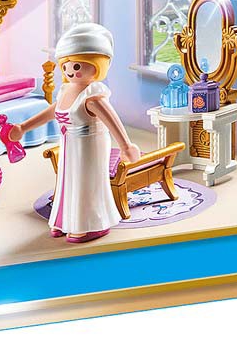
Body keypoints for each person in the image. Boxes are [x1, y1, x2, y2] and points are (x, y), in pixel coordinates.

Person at [8, 23, 140, 242]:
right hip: (70, 143)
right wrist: (24, 127)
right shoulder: (66, 89)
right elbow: (53, 111)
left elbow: (112, 121)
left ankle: (92, 224)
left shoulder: (93, 96)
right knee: (67, 181)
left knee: (86, 182)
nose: (70, 71)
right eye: (66, 66)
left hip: (90, 144)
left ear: (96, 66)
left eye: (77, 66)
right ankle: (64, 220)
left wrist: (126, 145)